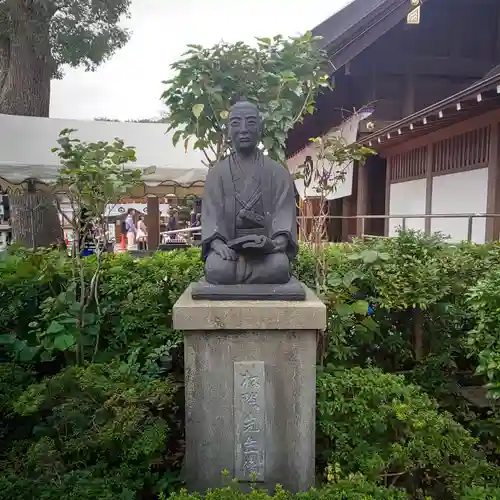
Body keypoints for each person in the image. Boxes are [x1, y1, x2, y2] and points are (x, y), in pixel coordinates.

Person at [201, 99, 298, 285]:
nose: (244, 129)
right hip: (230, 251)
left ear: (260, 129)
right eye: (236, 123)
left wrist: (278, 240)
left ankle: (240, 275)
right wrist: (217, 244)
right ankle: (246, 274)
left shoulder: (277, 172)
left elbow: (283, 212)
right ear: (229, 130)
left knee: (279, 266)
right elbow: (211, 215)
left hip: (266, 253)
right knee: (215, 268)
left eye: (251, 122)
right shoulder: (217, 174)